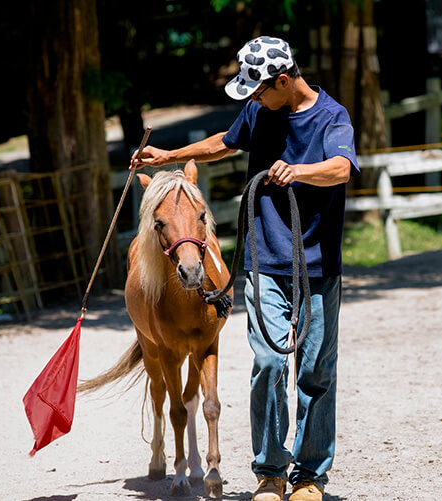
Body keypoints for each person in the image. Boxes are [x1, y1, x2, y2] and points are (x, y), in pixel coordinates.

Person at [131, 35, 358, 501]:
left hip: (318, 266)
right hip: (263, 261)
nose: (252, 100)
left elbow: (341, 167)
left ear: (283, 80)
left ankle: (310, 477)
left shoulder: (331, 116)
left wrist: (298, 171)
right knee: (270, 362)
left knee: (315, 371)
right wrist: (170, 156)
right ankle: (270, 473)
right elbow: (225, 143)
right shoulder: (260, 110)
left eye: (258, 91)